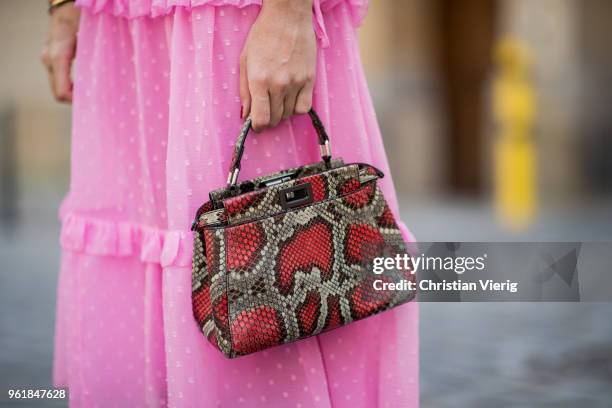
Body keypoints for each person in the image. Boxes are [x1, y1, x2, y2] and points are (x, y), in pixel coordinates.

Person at [42, 0, 418, 406]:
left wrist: (287, 14)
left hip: (232, 25)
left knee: (276, 250)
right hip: (119, 31)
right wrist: (64, 10)